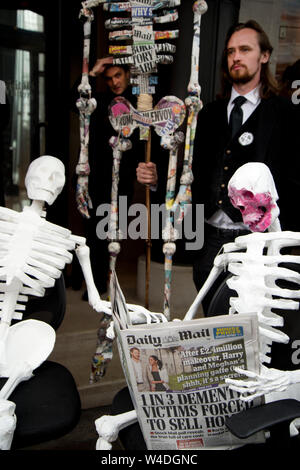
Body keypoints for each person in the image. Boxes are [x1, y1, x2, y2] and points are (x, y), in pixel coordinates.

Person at [137, 20, 300, 314]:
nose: (236, 57)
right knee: (215, 323)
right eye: (230, 52)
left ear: (264, 55)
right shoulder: (205, 114)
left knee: (253, 328)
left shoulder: (285, 114)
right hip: (210, 243)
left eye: (245, 49)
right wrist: (157, 178)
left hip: (258, 245)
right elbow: (190, 170)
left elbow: (294, 181)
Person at [72, 57, 144, 297]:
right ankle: (90, 281)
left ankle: (105, 278)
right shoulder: (100, 101)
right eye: (109, 78)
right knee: (93, 229)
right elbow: (76, 101)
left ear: (127, 75)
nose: (114, 82)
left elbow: (144, 140)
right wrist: (92, 72)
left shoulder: (138, 104)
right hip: (95, 176)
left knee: (111, 229)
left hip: (122, 177)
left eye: (118, 76)